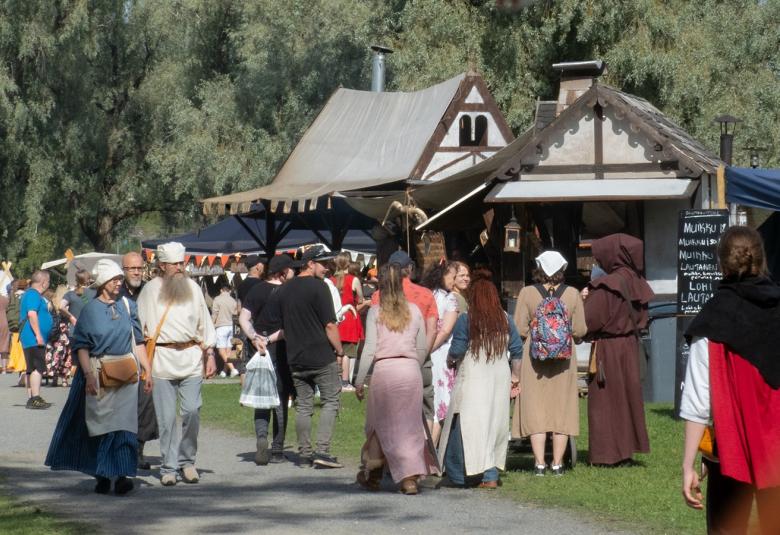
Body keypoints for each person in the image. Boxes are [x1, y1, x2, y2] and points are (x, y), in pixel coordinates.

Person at [680, 226, 780, 534]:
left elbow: (698, 402)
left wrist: (687, 466)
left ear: (721, 265)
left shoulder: (713, 320)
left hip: (730, 451)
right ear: (762, 261)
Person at [45, 259, 153, 495]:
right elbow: (82, 346)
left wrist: (147, 370)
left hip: (126, 372)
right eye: (114, 280)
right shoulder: (90, 310)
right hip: (97, 370)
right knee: (102, 426)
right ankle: (103, 474)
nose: (118, 283)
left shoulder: (127, 305)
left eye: (119, 280)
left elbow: (139, 342)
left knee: (125, 426)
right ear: (103, 282)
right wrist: (88, 375)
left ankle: (123, 475)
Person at [137, 242, 218, 486]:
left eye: (182, 263)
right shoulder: (150, 290)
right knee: (166, 418)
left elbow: (204, 322)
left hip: (192, 356)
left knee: (192, 410)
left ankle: (188, 461)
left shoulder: (193, 288)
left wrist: (210, 353)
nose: (181, 268)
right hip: (162, 359)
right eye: (175, 264)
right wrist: (145, 366)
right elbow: (139, 329)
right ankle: (169, 467)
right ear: (162, 265)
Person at [354, 263, 437, 495]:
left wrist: (359, 380)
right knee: (409, 426)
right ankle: (409, 479)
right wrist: (412, 367)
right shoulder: (415, 311)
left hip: (384, 371)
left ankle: (374, 471)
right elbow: (422, 348)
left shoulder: (375, 312)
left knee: (378, 424)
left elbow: (369, 348)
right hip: (410, 370)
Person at [439, 269, 523, 488]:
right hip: (499, 377)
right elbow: (517, 350)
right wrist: (515, 378)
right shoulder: (505, 319)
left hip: (474, 377)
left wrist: (449, 359)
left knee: (468, 425)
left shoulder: (467, 319)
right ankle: (490, 474)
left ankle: (459, 475)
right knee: (494, 424)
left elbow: (457, 349)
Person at [514, 251, 586, 476]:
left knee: (535, 409)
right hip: (564, 360)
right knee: (561, 409)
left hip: (534, 358)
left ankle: (539, 464)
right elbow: (580, 330)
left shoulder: (527, 293)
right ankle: (557, 464)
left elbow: (519, 329)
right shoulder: (573, 294)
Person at [583, 233, 653, 465]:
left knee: (606, 401)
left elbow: (589, 320)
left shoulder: (607, 285)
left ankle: (607, 454)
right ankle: (626, 452)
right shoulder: (637, 281)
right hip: (629, 346)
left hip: (609, 350)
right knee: (627, 399)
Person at [274, 244, 344, 469]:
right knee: (330, 401)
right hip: (322, 355)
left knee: (303, 405)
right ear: (310, 263)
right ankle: (322, 451)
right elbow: (330, 325)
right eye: (323, 264)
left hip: (295, 357)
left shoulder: (284, 289)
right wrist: (340, 351)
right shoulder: (319, 287)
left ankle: (304, 455)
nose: (327, 268)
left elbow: (279, 324)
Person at [371, 251, 439, 432]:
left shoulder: (378, 296)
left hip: (388, 362)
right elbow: (432, 329)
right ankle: (424, 452)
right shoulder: (425, 294)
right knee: (424, 408)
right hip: (419, 359)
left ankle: (391, 454)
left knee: (389, 411)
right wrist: (422, 355)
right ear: (409, 269)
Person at [239, 253, 297, 465]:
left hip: (259, 349)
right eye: (292, 269)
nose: (294, 272)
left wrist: (256, 338)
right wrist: (270, 339)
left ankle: (261, 437)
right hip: (279, 349)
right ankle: (278, 449)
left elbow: (243, 318)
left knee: (262, 397)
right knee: (280, 398)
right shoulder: (288, 292)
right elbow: (288, 327)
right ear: (283, 272)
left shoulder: (256, 289)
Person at [119, 251, 158, 471]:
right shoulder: (116, 291)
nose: (136, 272)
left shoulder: (149, 290)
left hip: (146, 354)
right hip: (121, 354)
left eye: (138, 268)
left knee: (146, 403)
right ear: (123, 269)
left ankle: (138, 449)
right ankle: (121, 450)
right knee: (122, 405)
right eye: (131, 268)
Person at [421, 261, 460, 444]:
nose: (454, 281)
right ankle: (431, 452)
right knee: (440, 407)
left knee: (429, 402)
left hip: (424, 350)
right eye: (452, 277)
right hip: (441, 352)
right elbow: (445, 330)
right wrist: (430, 349)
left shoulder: (426, 295)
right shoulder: (450, 299)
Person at [330, 252, 366, 391]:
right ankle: (345, 382)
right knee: (347, 352)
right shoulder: (353, 280)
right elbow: (361, 299)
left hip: (335, 318)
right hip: (349, 317)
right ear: (349, 263)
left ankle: (336, 380)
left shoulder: (331, 280)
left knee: (336, 350)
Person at [19, 270, 54, 409]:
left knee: (31, 368)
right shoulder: (33, 294)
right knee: (37, 367)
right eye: (49, 281)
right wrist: (38, 335)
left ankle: (32, 397)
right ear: (44, 282)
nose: (49, 284)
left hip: (30, 337)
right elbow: (32, 314)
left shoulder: (31, 294)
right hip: (33, 337)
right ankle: (35, 398)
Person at [45, 285, 73, 387]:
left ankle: (54, 377)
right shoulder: (67, 304)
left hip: (53, 331)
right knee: (66, 355)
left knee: (53, 352)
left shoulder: (51, 303)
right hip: (64, 331)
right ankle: (64, 380)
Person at [212, 284, 239, 378]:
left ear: (221, 290)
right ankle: (224, 371)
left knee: (221, 351)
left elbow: (215, 313)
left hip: (221, 326)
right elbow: (236, 313)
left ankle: (232, 369)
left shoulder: (217, 299)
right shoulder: (233, 301)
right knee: (228, 351)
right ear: (230, 291)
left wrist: (212, 324)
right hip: (231, 326)